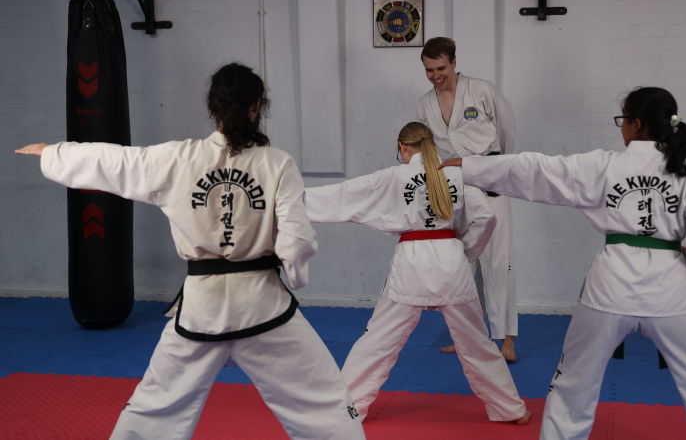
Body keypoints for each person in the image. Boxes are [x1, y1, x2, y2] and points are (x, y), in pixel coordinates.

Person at [15, 63, 365, 440]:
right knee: (322, 401)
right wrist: (295, 276)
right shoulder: (278, 163)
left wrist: (55, 154)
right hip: (264, 306)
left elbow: (118, 161)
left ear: (212, 106)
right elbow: (296, 240)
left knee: (157, 407)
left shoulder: (178, 159)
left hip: (201, 310)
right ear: (257, 106)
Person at [440, 87, 686, 439]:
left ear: (636, 124)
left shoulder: (605, 165)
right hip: (672, 291)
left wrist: (471, 167)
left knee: (574, 383)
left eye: (623, 120)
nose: (620, 128)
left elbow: (537, 170)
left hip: (610, 288)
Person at [304, 121, 531, 425]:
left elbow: (344, 194)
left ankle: (346, 410)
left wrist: (291, 201)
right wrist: (465, 252)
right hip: (452, 264)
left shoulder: (395, 176)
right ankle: (510, 409)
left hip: (411, 263)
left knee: (377, 341)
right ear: (432, 144)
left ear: (403, 147)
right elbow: (486, 218)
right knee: (478, 343)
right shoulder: (456, 174)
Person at [417, 36, 519, 361]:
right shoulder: (424, 105)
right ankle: (468, 337)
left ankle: (506, 341)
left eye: (441, 67)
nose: (436, 75)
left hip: (490, 178)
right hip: (455, 186)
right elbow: (428, 147)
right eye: (430, 70)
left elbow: (507, 131)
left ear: (454, 63)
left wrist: (495, 167)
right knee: (461, 263)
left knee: (499, 260)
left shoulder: (483, 91)